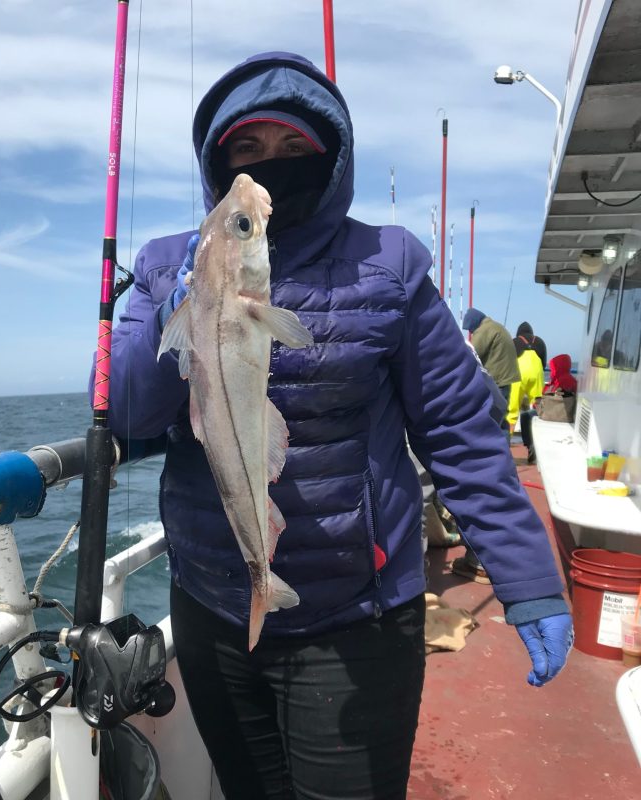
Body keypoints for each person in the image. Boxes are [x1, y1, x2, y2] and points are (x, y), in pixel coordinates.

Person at [106, 52, 572, 800]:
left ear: (333, 156)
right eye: (248, 149)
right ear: (217, 163)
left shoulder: (388, 265)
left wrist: (528, 579)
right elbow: (124, 413)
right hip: (213, 607)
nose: (271, 166)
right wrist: (179, 318)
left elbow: (457, 428)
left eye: (296, 148)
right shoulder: (167, 265)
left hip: (360, 616)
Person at [462, 307, 520, 437]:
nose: (471, 332)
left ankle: (495, 452)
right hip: (506, 379)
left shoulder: (483, 331)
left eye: (470, 329)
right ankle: (505, 451)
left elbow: (471, 355)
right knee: (502, 419)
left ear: (474, 323)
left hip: (497, 381)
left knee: (492, 421)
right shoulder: (495, 326)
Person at [520, 353, 578, 464]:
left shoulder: (556, 381)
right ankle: (532, 448)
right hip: (566, 416)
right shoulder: (572, 381)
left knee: (525, 416)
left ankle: (530, 447)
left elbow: (544, 396)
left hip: (549, 415)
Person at [507, 330, 545, 436]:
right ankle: (537, 438)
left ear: (519, 334)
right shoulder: (540, 341)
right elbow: (544, 362)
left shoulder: (514, 341)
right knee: (539, 407)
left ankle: (507, 440)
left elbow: (508, 360)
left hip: (518, 374)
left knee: (512, 410)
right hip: (536, 373)